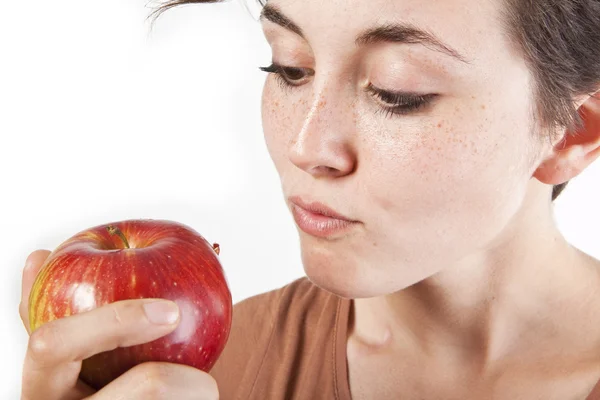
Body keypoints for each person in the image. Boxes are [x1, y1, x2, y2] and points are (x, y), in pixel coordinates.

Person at [18, 0, 600, 398]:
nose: (306, 147)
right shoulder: (196, 377)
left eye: (396, 93)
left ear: (573, 131)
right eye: (290, 67)